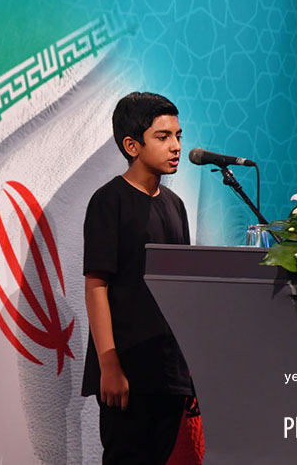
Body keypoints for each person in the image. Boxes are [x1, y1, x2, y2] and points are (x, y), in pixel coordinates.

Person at [82, 92, 197, 464]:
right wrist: (109, 364)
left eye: (178, 136)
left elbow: (182, 293)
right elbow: (96, 285)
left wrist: (190, 371)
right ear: (132, 145)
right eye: (163, 137)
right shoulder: (109, 201)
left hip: (169, 372)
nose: (175, 146)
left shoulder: (175, 206)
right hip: (128, 369)